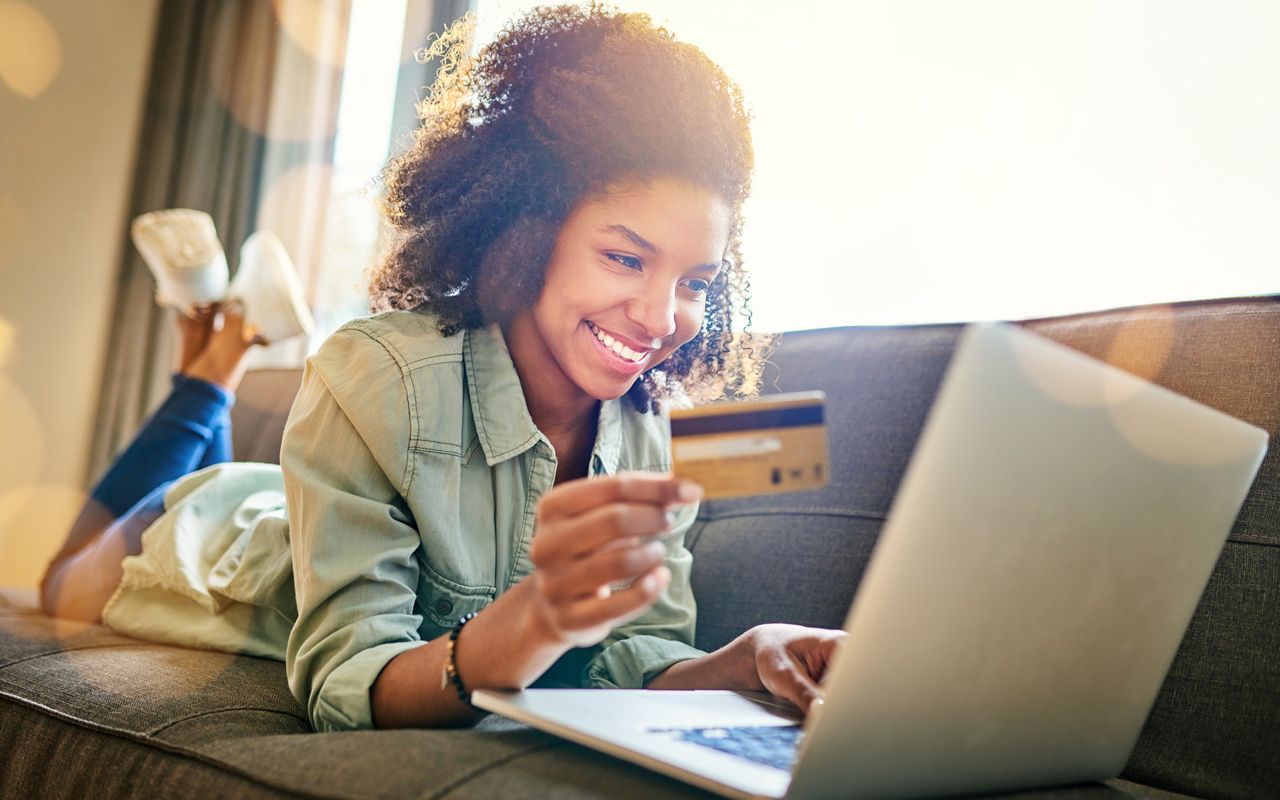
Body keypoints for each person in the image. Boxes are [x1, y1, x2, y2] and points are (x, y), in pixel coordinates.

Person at [41, 4, 843, 733]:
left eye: (695, 284)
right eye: (625, 257)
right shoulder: (376, 373)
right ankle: (211, 366)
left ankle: (220, 342)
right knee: (59, 586)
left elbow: (630, 656)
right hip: (199, 545)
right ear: (526, 228)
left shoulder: (644, 430)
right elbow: (345, 684)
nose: (663, 318)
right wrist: (535, 619)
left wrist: (741, 659)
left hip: (305, 506)